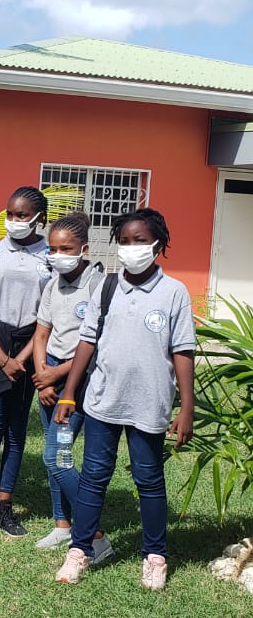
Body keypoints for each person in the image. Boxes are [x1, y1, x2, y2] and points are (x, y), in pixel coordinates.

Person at [54, 208, 196, 590]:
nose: (132, 248)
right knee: (94, 477)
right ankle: (80, 549)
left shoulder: (174, 293)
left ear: (158, 244)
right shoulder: (108, 286)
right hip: (103, 400)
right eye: (125, 241)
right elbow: (87, 341)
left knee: (148, 479)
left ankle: (154, 555)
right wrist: (68, 394)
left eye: (140, 240)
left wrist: (186, 407)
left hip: (148, 404)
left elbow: (183, 351)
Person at [0, 186, 50, 541]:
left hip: (29, 351)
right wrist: (2, 357)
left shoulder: (50, 256)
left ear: (39, 218)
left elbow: (48, 318)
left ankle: (5, 507)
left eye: (22, 215)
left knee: (17, 433)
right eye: (11, 214)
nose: (15, 221)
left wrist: (21, 358)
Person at [32, 212, 112, 563]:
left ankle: (94, 533)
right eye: (52, 249)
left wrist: (58, 377)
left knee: (57, 457)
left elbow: (94, 344)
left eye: (66, 248)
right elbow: (41, 333)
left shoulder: (97, 285)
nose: (58, 255)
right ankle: (62, 524)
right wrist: (41, 375)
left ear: (83, 249)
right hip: (47, 379)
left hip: (76, 386)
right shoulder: (53, 284)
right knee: (55, 459)